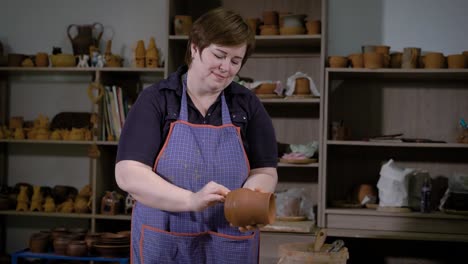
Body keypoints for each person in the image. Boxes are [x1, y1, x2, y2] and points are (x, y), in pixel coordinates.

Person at [115, 7, 278, 264]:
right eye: (219, 54)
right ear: (194, 48)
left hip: (229, 238)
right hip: (165, 239)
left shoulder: (247, 104)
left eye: (235, 61)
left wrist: (248, 201)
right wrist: (191, 199)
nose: (226, 67)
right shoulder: (157, 100)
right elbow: (128, 173)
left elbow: (266, 171)